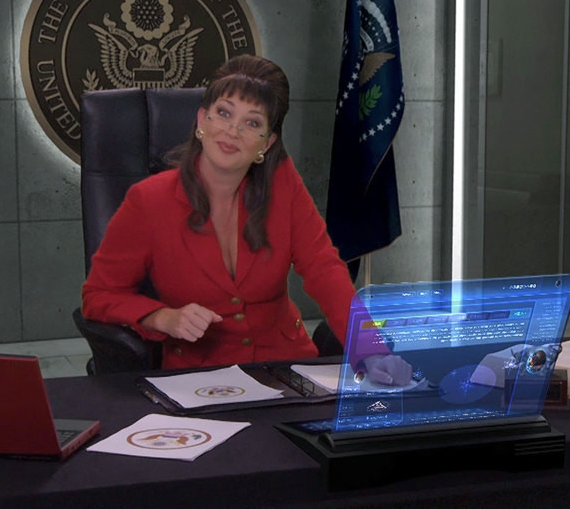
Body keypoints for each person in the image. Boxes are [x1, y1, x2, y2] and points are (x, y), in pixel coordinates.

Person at [81, 55, 411, 385]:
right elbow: (99, 296)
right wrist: (161, 317)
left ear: (267, 143)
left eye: (252, 123)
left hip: (286, 367)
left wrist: (373, 351)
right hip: (200, 379)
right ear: (202, 119)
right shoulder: (149, 200)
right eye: (224, 113)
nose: (232, 131)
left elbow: (324, 269)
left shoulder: (283, 184)